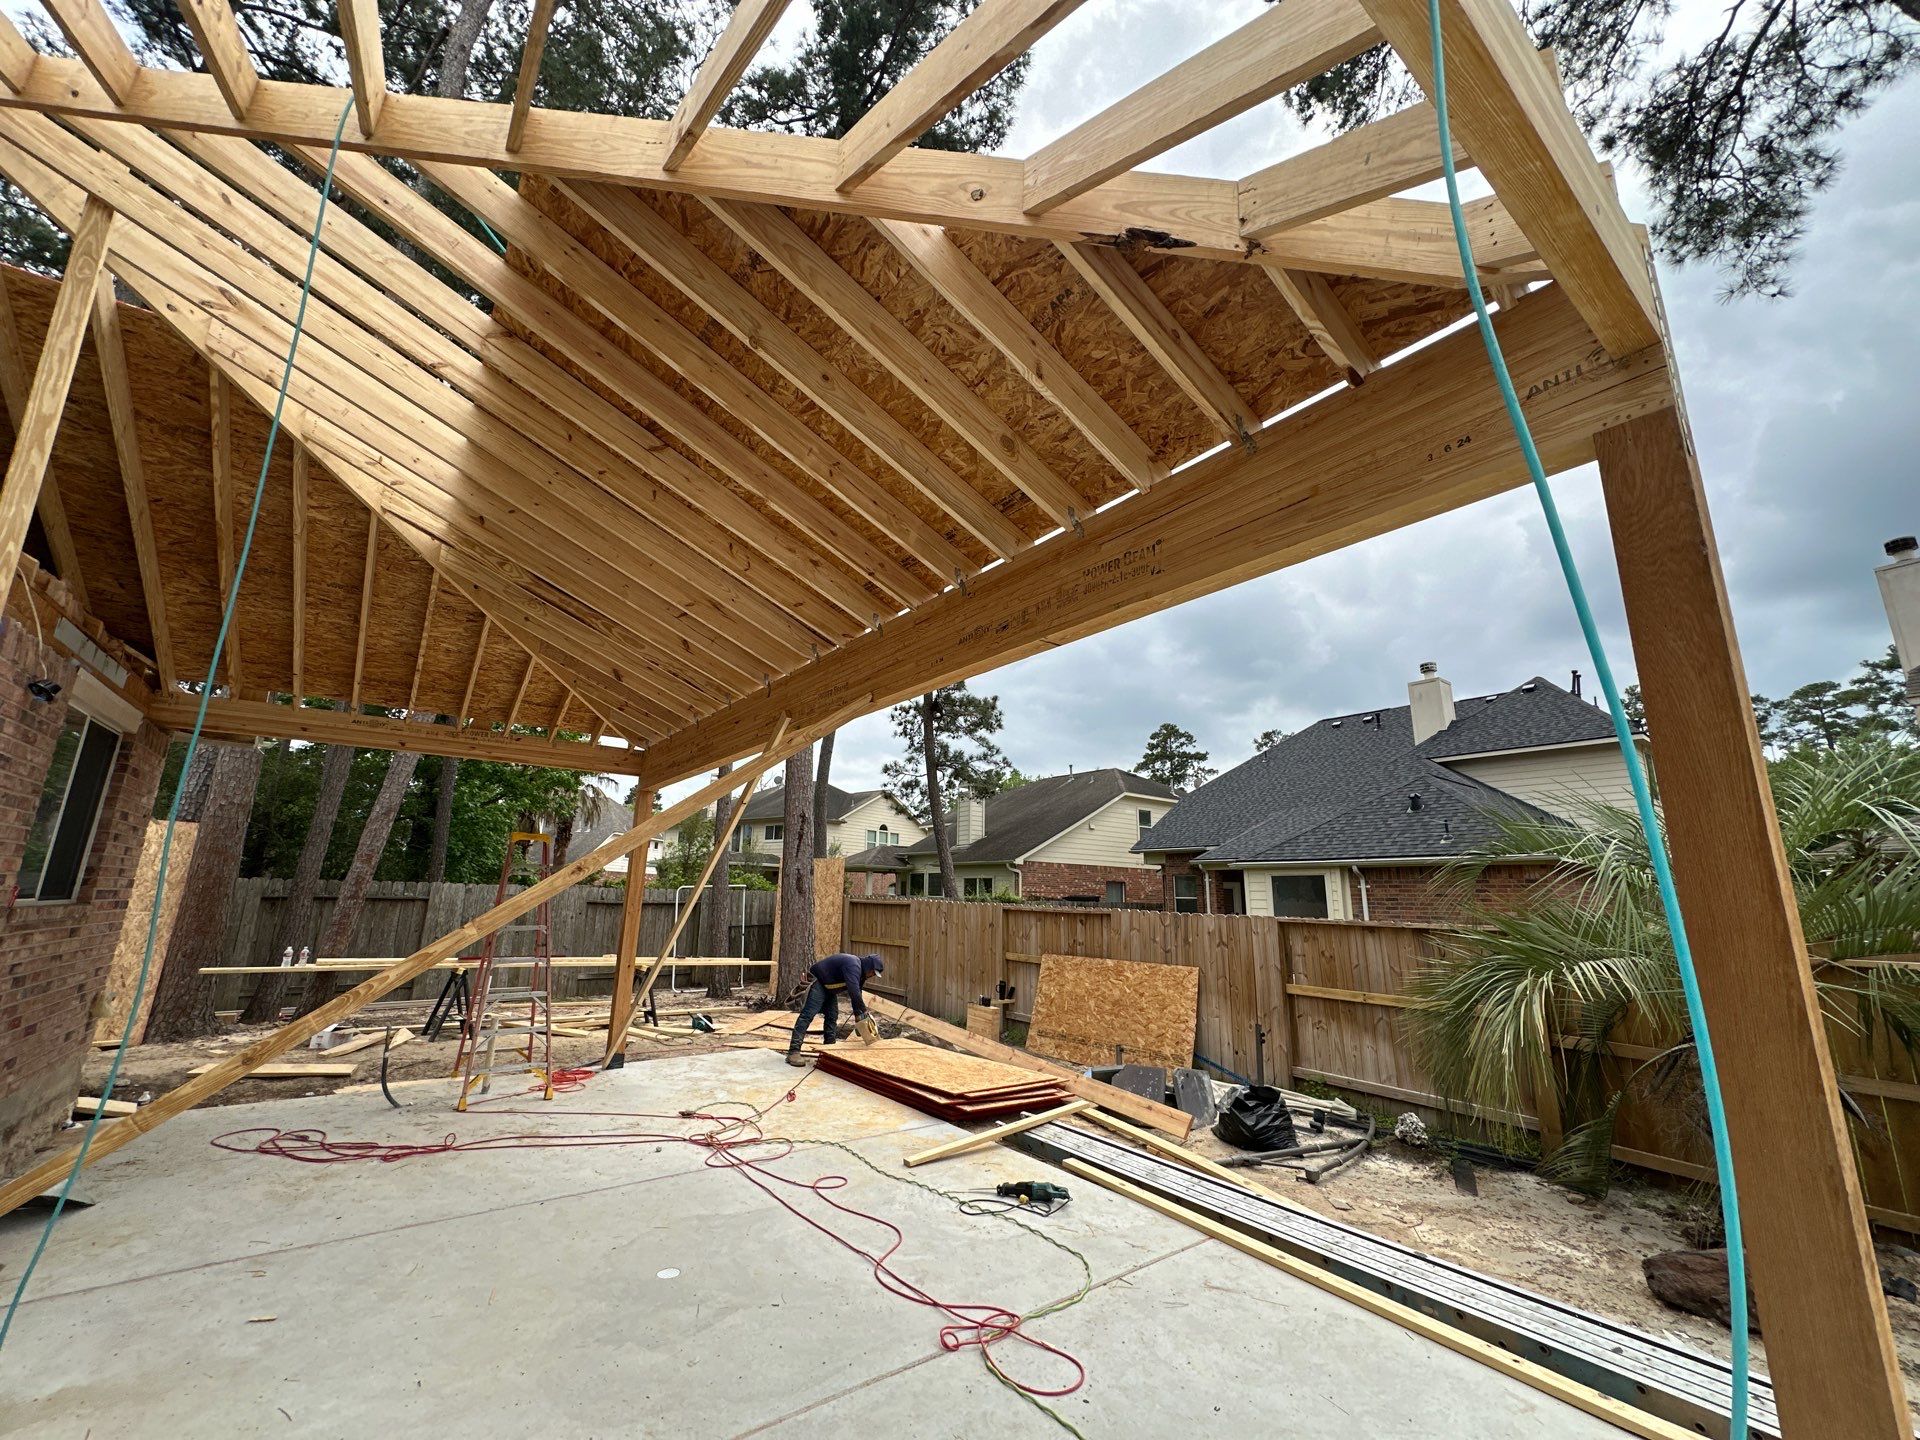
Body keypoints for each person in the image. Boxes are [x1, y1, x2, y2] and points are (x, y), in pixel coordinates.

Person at [786, 952, 883, 1066]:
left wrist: (859, 1016)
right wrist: (864, 1012)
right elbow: (853, 992)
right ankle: (793, 1052)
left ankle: (829, 1049)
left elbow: (858, 993)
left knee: (832, 1016)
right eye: (872, 972)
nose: (872, 975)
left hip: (829, 986)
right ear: (868, 966)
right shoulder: (853, 965)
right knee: (807, 1015)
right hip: (819, 982)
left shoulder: (861, 974)